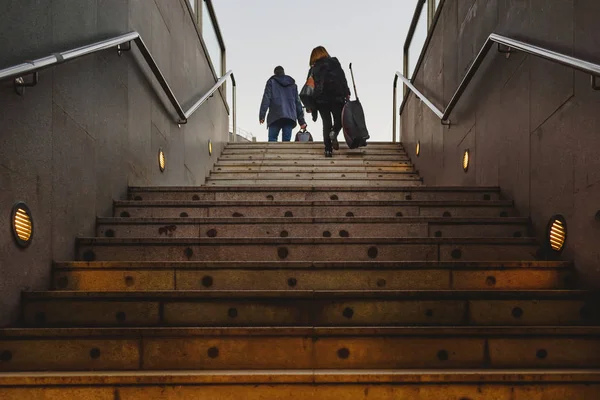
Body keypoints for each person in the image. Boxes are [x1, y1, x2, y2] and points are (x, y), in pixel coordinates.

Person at [306, 46, 351, 157]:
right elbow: (342, 78)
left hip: (321, 99)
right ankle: (334, 133)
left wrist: (310, 103)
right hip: (336, 96)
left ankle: (328, 150)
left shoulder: (313, 68)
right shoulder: (334, 62)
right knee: (339, 120)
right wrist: (347, 92)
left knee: (326, 123)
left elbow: (309, 87)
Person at [259, 66, 307, 142]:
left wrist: (262, 115)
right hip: (289, 116)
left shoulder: (271, 82)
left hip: (275, 115)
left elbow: (266, 99)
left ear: (275, 73)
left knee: (272, 140)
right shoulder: (292, 85)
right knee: (286, 142)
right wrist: (302, 121)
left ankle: (272, 154)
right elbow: (298, 103)